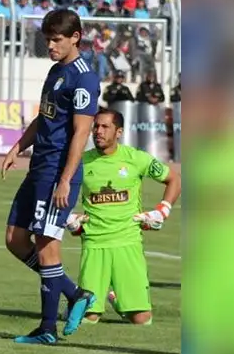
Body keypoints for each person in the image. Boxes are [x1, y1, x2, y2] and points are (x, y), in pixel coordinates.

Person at [1, 8, 100, 345]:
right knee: (15, 238)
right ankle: (74, 294)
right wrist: (19, 146)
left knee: (46, 247)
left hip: (58, 171)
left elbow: (80, 133)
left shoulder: (84, 76)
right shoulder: (56, 71)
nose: (51, 45)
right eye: (47, 39)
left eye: (56, 39)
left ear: (76, 37)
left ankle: (47, 329)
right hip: (38, 168)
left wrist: (66, 179)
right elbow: (44, 118)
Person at [64, 108, 181, 325]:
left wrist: (162, 211)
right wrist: (69, 219)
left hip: (128, 242)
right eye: (96, 126)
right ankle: (79, 304)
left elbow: (175, 179)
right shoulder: (80, 161)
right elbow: (58, 191)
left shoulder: (136, 159)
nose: (98, 131)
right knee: (89, 318)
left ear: (119, 132)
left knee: (142, 320)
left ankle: (117, 301)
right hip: (94, 243)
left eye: (105, 127)